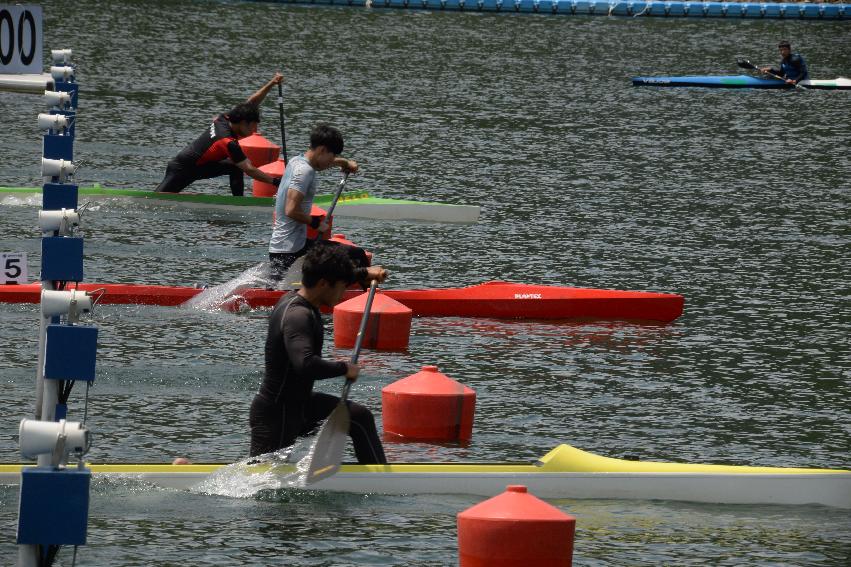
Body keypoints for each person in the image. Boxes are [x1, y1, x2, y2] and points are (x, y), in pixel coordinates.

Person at [249, 242, 389, 463]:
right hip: (278, 414)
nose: (343, 293)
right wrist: (344, 368)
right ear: (324, 283)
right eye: (342, 287)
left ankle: (380, 479)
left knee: (359, 417)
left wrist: (363, 273)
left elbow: (331, 275)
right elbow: (305, 364)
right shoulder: (297, 316)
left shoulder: (308, 291)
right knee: (261, 480)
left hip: (301, 405)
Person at [154, 73, 284, 196]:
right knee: (155, 199)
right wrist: (276, 182)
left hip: (199, 167)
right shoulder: (227, 141)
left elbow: (251, 103)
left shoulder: (226, 118)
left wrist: (272, 83)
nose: (254, 131)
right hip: (181, 169)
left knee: (235, 166)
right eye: (253, 127)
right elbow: (249, 169)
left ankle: (238, 202)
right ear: (244, 123)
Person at [268, 123, 361, 283]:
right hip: (292, 250)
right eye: (331, 157)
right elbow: (290, 210)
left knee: (275, 286)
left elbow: (322, 163)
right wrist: (316, 223)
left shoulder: (296, 161)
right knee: (356, 255)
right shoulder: (305, 171)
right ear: (322, 150)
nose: (330, 162)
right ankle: (353, 297)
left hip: (284, 247)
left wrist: (344, 163)